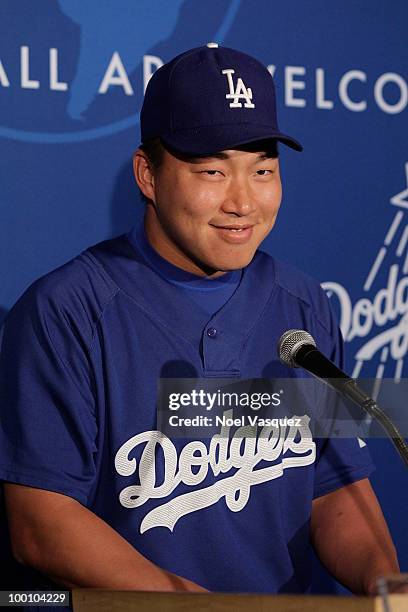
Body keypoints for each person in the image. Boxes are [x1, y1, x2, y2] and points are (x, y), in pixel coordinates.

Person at [0, 44, 401, 602]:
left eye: (263, 170)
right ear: (148, 175)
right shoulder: (66, 309)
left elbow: (332, 488)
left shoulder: (304, 305)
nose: (242, 201)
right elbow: (41, 524)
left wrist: (383, 583)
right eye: (212, 171)